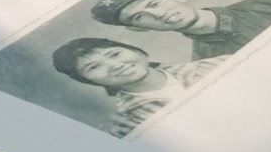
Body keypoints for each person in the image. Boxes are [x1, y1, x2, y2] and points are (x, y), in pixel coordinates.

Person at [51, 36, 217, 136]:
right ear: (87, 80)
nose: (116, 65)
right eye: (93, 67)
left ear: (136, 51)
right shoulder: (127, 125)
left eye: (115, 54)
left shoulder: (212, 65)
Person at [88, 0, 271, 60]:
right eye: (140, 17)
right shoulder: (205, 62)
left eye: (154, 4)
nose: (158, 14)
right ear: (138, 30)